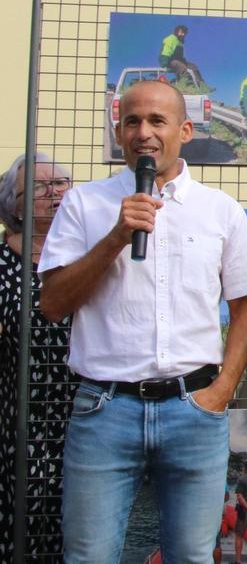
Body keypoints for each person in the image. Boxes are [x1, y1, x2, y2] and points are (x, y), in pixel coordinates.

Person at [38, 80, 247, 561]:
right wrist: (116, 237)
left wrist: (221, 392)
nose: (143, 132)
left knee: (191, 556)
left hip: (195, 409)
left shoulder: (220, 210)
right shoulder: (84, 204)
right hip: (104, 409)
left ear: (184, 130)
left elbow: (246, 309)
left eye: (157, 121)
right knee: (89, 556)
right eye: (132, 121)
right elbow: (53, 304)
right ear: (119, 132)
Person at [0, 153, 74, 559]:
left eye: (61, 183)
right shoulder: (2, 265)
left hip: (84, 418)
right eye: (42, 187)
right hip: (19, 426)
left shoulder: (83, 257)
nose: (55, 193)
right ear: (14, 205)